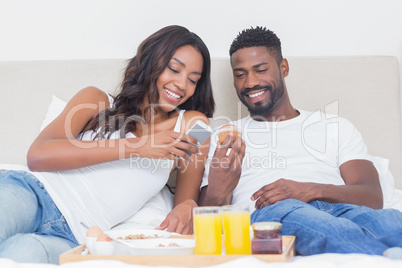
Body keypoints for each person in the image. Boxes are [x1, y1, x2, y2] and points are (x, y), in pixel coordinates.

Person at [0, 25, 215, 263]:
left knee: (17, 256)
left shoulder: (194, 124)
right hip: (34, 192)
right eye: (174, 69)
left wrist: (189, 205)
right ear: (151, 61)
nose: (182, 85)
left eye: (193, 80)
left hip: (73, 236)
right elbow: (38, 156)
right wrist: (136, 147)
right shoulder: (96, 100)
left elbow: (186, 200)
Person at [199, 26, 402, 258]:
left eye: (260, 69)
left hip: (341, 208)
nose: (250, 82)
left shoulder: (336, 127)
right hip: (274, 212)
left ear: (283, 68)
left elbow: (372, 196)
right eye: (240, 74)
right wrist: (218, 187)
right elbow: (208, 213)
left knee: (391, 222)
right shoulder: (225, 137)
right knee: (333, 230)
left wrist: (307, 190)